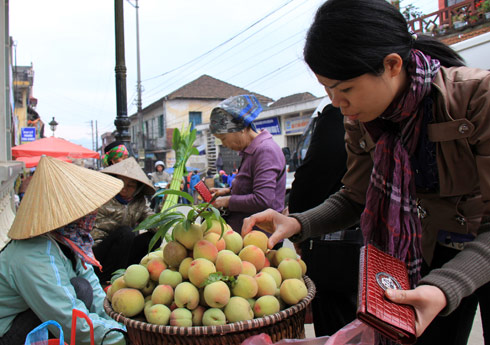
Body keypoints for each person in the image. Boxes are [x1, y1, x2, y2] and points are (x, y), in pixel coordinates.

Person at [241, 1, 490, 344]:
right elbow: (354, 197)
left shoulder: (476, 100)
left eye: (344, 89)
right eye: (327, 88)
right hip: (428, 250)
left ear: (391, 65)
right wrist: (299, 223)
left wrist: (445, 288)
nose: (336, 101)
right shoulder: (361, 119)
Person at [0, 156, 126, 345]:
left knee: (83, 287)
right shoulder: (33, 254)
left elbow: (93, 287)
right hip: (7, 333)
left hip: (35, 314)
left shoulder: (69, 240)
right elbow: (67, 316)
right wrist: (121, 336)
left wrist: (118, 322)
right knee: (79, 292)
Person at [288, 103, 363, 336]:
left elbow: (313, 177)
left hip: (336, 248)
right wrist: (299, 223)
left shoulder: (340, 113)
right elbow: (352, 195)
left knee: (338, 326)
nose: (337, 96)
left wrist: (299, 222)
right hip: (346, 240)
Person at [210, 94, 286, 235]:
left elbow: (263, 200)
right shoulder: (250, 151)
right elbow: (250, 185)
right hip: (242, 236)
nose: (224, 145)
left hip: (258, 238)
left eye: (224, 138)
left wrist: (227, 201)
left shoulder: (265, 151)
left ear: (241, 129)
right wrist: (227, 191)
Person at [92, 157, 159, 284]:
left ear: (137, 188)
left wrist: (164, 226)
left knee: (154, 237)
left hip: (122, 252)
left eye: (131, 186)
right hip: (99, 251)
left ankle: (131, 271)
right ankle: (108, 278)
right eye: (121, 183)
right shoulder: (103, 196)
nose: (124, 189)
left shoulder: (139, 202)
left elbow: (151, 220)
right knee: (126, 232)